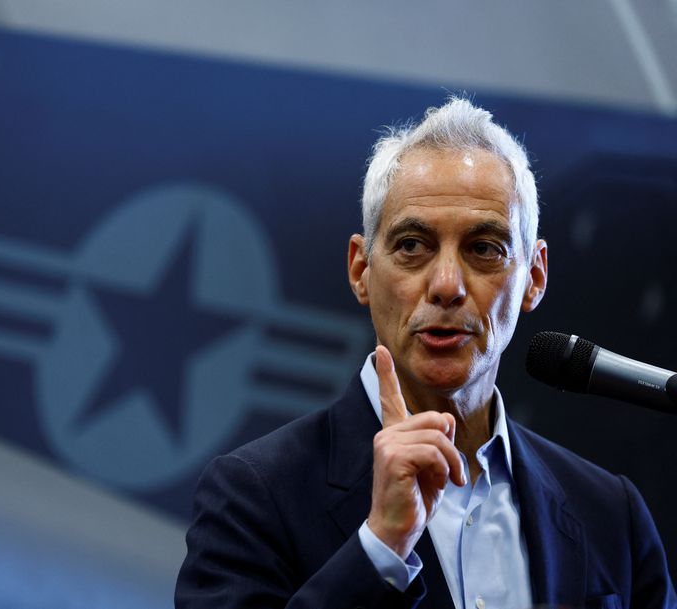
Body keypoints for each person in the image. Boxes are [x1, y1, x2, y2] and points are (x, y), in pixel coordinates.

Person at [174, 97, 676, 609]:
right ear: (360, 270)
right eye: (413, 245)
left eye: (484, 248)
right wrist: (381, 549)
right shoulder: (254, 495)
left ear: (535, 277)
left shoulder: (611, 514)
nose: (446, 285)